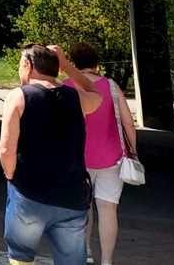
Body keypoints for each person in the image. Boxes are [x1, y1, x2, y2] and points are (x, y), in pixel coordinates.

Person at [0, 44, 103, 265]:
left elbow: (6, 148)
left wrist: (10, 176)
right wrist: (66, 65)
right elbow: (96, 94)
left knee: (21, 257)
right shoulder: (77, 99)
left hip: (29, 192)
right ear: (56, 69)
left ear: (27, 66)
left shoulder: (18, 97)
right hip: (72, 196)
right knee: (72, 261)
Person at [64, 42, 138, 265]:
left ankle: (85, 252)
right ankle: (107, 261)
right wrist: (133, 150)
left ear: (74, 63)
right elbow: (128, 123)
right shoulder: (112, 86)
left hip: (77, 158)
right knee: (107, 209)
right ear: (97, 63)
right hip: (111, 158)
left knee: (82, 207)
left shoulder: (66, 86)